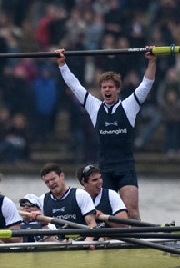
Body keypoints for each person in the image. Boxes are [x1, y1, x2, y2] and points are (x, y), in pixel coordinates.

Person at [55, 45, 157, 220]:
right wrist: (62, 65)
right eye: (104, 87)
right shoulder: (94, 106)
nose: (107, 90)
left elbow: (146, 84)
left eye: (110, 87)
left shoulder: (129, 105)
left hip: (126, 167)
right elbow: (74, 86)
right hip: (105, 169)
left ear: (118, 89)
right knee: (106, 214)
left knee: (130, 211)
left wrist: (152, 61)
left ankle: (139, 241)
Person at [36, 163, 97, 248]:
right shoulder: (42, 199)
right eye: (47, 182)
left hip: (79, 243)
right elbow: (42, 228)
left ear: (62, 176)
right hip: (55, 245)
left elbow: (91, 223)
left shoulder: (80, 195)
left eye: (53, 179)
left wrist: (89, 240)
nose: (50, 183)